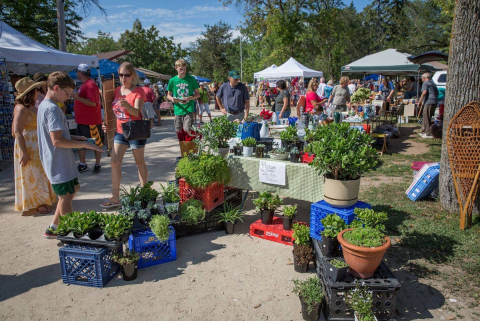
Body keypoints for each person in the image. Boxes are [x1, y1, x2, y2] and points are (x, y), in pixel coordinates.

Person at [37, 72, 103, 238]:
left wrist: (77, 137)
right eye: (67, 94)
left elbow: (60, 135)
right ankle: (71, 233)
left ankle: (53, 227)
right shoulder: (52, 108)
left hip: (61, 161)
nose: (68, 98)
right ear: (56, 88)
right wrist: (84, 144)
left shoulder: (47, 106)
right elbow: (57, 141)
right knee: (65, 197)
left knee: (73, 188)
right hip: (57, 162)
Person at [101, 62, 148, 208]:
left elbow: (137, 112)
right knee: (114, 161)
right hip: (120, 131)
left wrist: (127, 106)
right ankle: (115, 196)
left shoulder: (139, 91)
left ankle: (145, 192)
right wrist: (106, 123)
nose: (123, 78)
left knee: (139, 162)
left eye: (126, 75)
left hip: (135, 129)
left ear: (132, 75)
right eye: (121, 75)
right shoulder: (116, 91)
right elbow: (112, 112)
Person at [13, 77, 57, 215]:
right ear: (30, 92)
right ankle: (38, 202)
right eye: (36, 90)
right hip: (28, 146)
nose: (38, 92)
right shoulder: (21, 109)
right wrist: (24, 152)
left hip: (35, 144)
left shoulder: (30, 106)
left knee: (39, 173)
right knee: (34, 174)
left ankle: (41, 199)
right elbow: (16, 131)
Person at [71, 64, 103, 174]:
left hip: (91, 121)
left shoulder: (90, 85)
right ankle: (83, 163)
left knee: (96, 143)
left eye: (77, 71)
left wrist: (77, 97)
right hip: (82, 120)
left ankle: (98, 163)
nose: (76, 73)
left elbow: (93, 103)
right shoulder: (85, 84)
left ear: (80, 72)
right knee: (80, 142)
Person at [166, 59, 200, 133]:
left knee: (187, 131)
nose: (183, 71)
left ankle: (188, 144)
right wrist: (172, 99)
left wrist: (189, 98)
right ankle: (182, 145)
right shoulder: (172, 80)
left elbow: (198, 94)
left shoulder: (191, 79)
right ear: (176, 68)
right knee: (179, 133)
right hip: (178, 110)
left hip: (189, 109)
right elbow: (168, 95)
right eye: (181, 69)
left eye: (184, 69)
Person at [417, 72, 439, 138]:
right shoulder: (433, 83)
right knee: (427, 116)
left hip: (429, 102)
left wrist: (419, 101)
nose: (421, 79)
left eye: (422, 78)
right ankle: (424, 130)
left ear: (424, 78)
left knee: (426, 117)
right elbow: (437, 93)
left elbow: (424, 92)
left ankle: (428, 132)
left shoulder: (425, 83)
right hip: (434, 102)